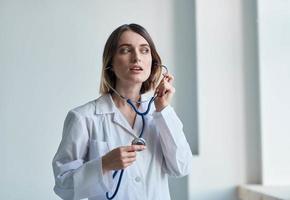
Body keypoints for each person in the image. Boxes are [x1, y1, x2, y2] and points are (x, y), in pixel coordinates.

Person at [52, 23, 193, 200]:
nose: (137, 58)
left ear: (153, 62)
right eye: (126, 50)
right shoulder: (83, 118)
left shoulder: (159, 115)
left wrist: (164, 109)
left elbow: (182, 167)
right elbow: (63, 186)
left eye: (144, 50)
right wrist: (104, 164)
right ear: (110, 62)